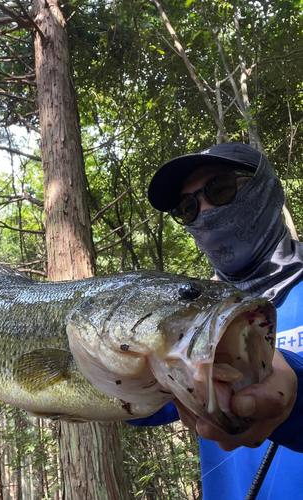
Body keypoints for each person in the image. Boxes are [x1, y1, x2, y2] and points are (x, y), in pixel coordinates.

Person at [128, 142, 303, 499]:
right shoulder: (190, 319)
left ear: (264, 190)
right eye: (188, 208)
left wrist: (294, 391)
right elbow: (142, 403)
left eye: (218, 189)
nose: (204, 213)